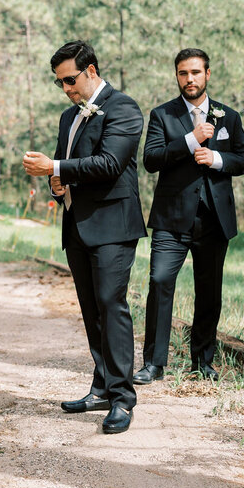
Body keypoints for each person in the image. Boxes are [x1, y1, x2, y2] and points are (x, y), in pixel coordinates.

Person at [23, 40, 145, 434]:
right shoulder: (68, 117)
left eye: (71, 80)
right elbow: (65, 171)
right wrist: (55, 184)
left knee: (111, 305)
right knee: (91, 310)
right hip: (76, 224)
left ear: (91, 70)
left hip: (113, 226)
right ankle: (102, 387)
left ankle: (123, 398)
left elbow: (110, 164)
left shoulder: (124, 108)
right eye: (59, 83)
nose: (66, 89)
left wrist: (55, 165)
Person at [135, 48, 244, 384]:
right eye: (183, 73)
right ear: (177, 76)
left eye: (195, 73)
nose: (189, 79)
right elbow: (152, 159)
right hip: (172, 219)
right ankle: (154, 364)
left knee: (209, 291)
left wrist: (216, 160)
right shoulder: (162, 115)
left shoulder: (228, 116)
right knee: (159, 282)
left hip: (214, 220)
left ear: (207, 75)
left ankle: (203, 362)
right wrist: (191, 140)